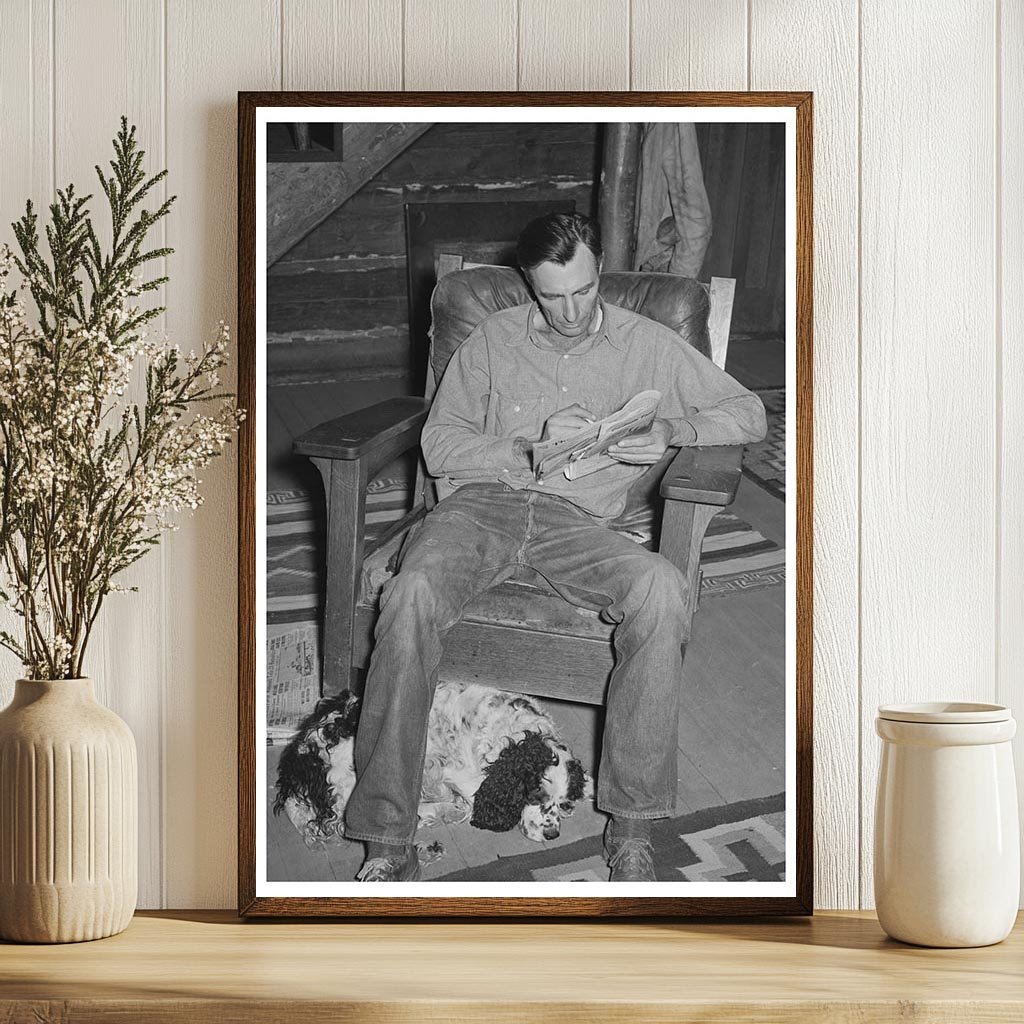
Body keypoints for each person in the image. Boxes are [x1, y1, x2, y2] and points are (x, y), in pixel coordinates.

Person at [344, 212, 767, 882]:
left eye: (585, 290)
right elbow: (439, 443)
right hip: (479, 508)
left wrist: (672, 431)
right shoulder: (493, 339)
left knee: (661, 589)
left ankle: (633, 825)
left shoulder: (647, 343)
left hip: (579, 524)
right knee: (411, 593)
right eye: (552, 296)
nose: (571, 312)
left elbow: (749, 412)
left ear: (599, 271)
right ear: (528, 283)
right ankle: (386, 836)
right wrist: (525, 447)